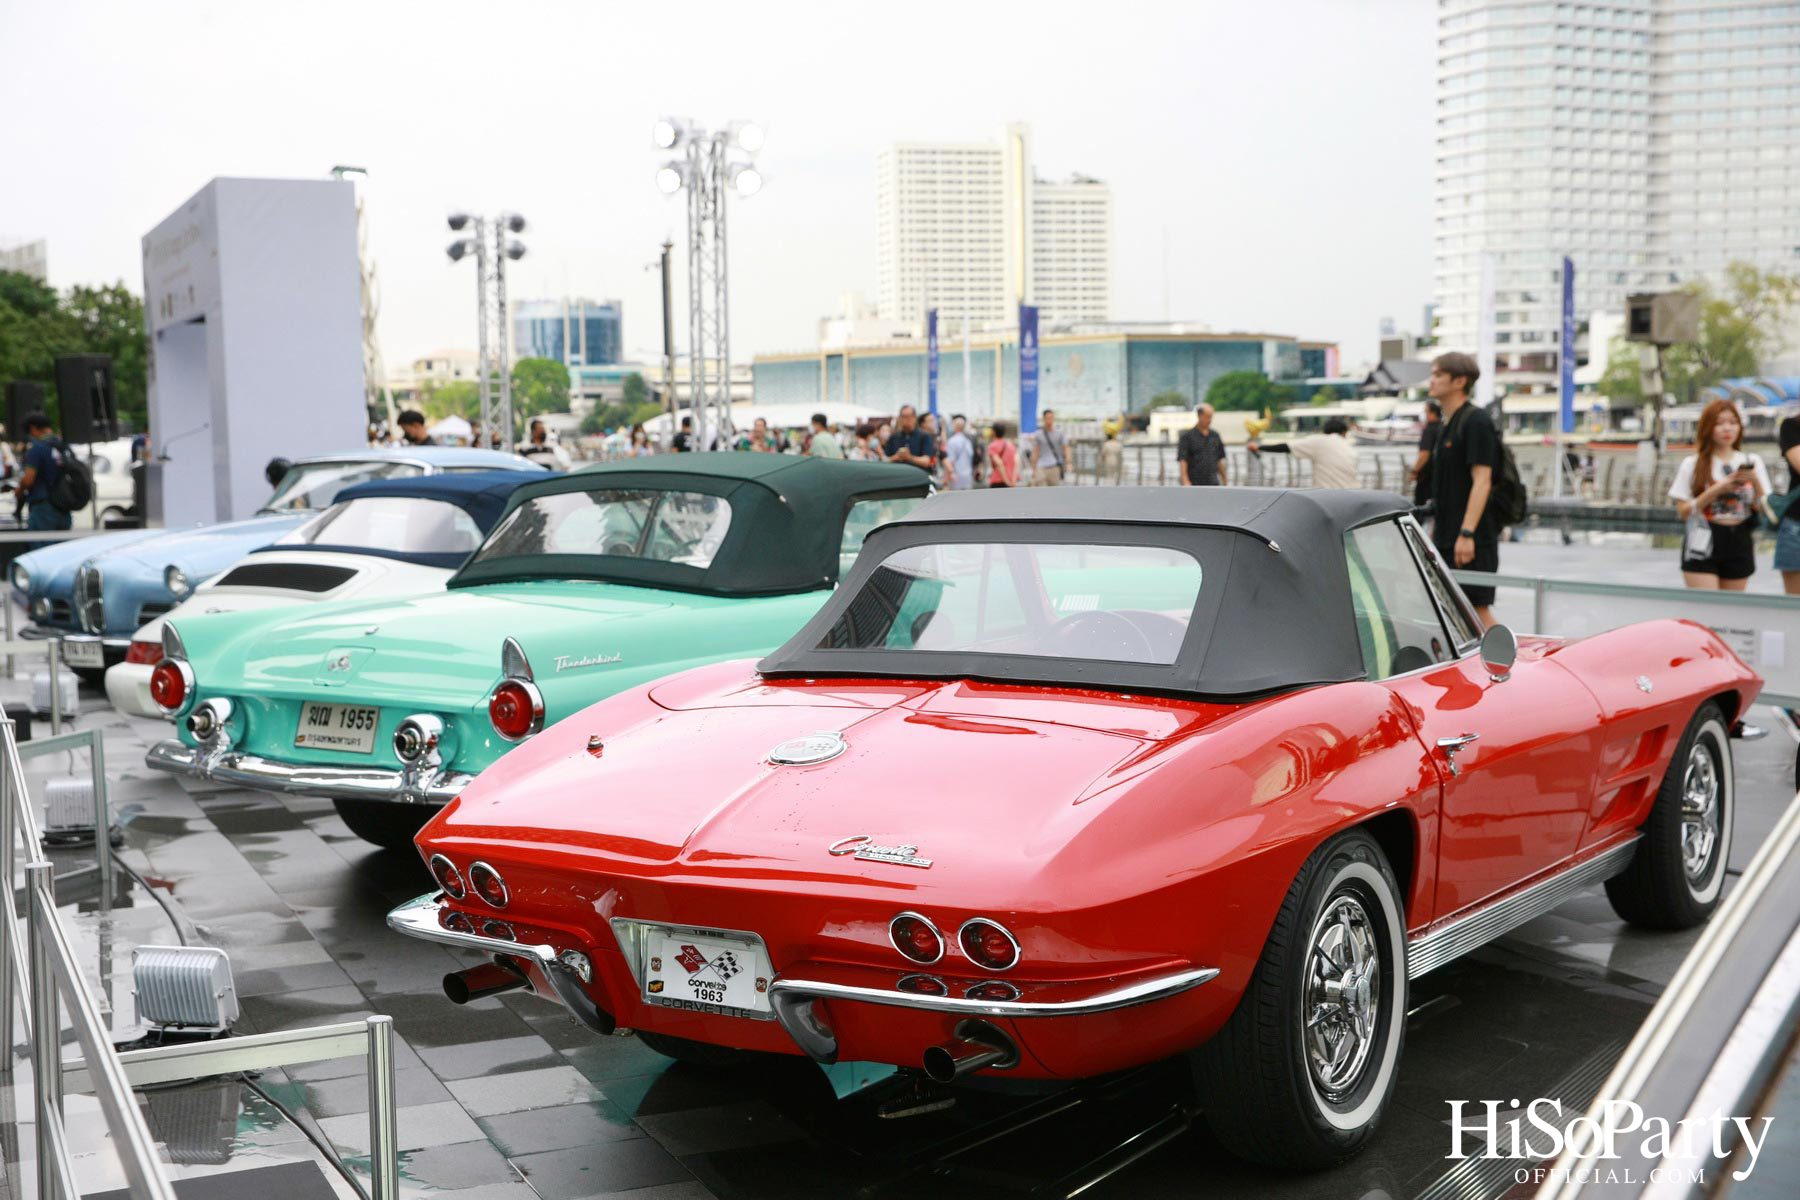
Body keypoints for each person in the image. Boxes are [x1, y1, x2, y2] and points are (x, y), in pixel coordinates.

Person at [1427, 351, 1500, 627]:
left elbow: (1483, 479)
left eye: (1438, 375)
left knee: (1476, 611)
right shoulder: (1449, 424)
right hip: (1449, 534)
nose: (1431, 381)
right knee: (1456, 614)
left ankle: (1509, 663)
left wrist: (1467, 533)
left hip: (1471, 537)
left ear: (1460, 381)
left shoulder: (1476, 421)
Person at [1672, 398, 1768, 593]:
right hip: (1703, 537)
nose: (1727, 429)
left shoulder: (1752, 461)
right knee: (1706, 611)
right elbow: (1682, 511)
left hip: (1739, 538)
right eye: (1720, 423)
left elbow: (1764, 507)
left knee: (1732, 613)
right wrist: (1716, 490)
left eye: (1733, 423)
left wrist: (1754, 481)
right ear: (1708, 427)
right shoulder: (1693, 464)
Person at [1248, 417, 1359, 488]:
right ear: (1344, 433)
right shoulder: (1349, 448)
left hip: (1327, 495)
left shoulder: (1320, 441)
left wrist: (1258, 447)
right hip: (1352, 492)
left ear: (1324, 432)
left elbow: (1286, 447)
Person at [17, 413, 71, 538]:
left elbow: (28, 479)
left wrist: (19, 491)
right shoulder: (64, 446)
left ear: (33, 429)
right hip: (64, 506)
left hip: (43, 507)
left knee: (41, 552)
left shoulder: (38, 448)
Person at [1177, 403, 1228, 486]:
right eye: (1207, 417)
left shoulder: (1215, 436)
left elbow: (1219, 459)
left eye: (1211, 417)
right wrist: (1185, 480)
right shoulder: (1187, 437)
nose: (1209, 420)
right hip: (1194, 483)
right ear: (1200, 416)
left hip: (1213, 482)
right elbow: (1183, 460)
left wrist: (1224, 479)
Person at [881, 405, 937, 473]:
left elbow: (927, 461)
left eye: (908, 417)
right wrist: (896, 457)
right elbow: (884, 460)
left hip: (918, 476)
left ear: (914, 418)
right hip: (897, 476)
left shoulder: (924, 436)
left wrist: (910, 457)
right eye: (903, 417)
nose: (905, 420)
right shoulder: (894, 437)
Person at [1409, 400, 1441, 507]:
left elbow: (1424, 454)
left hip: (1426, 477)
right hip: (1438, 476)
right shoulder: (1442, 428)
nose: (1425, 415)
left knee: (1420, 509)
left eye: (1426, 412)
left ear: (1432, 413)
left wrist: (1414, 471)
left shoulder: (1429, 430)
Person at [1026, 409, 1070, 485]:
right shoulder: (1038, 435)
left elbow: (1066, 448)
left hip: (1055, 466)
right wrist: (1033, 468)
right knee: (1041, 491)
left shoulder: (1059, 434)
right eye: (1048, 418)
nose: (1050, 420)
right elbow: (1036, 451)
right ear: (1043, 419)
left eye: (1051, 418)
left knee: (1054, 491)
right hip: (1041, 467)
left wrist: (1069, 463)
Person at [944, 414, 975, 489]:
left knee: (955, 499)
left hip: (955, 477)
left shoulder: (951, 441)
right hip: (967, 476)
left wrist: (947, 479)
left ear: (955, 427)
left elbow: (949, 461)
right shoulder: (967, 441)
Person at [986, 422, 1020, 488]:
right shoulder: (1011, 445)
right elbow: (1017, 461)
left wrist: (1006, 481)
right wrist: (1013, 480)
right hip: (1012, 480)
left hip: (998, 480)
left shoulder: (992, 446)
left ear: (994, 432)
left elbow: (999, 463)